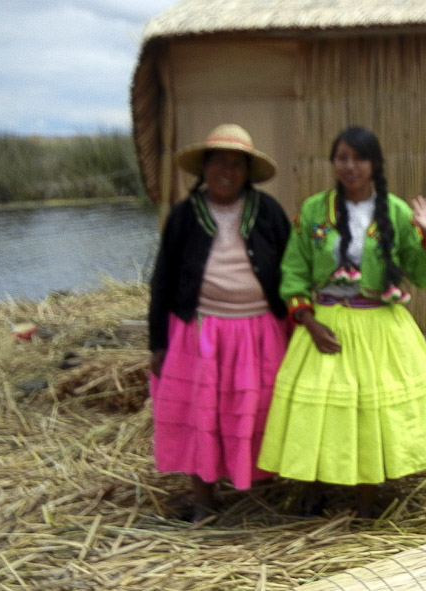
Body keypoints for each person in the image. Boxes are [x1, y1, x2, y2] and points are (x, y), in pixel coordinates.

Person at [256, 126, 426, 518]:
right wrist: (308, 322)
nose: (350, 166)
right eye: (342, 157)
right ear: (333, 163)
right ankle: (312, 489)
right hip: (325, 324)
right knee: (318, 410)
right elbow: (293, 271)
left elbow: (424, 276)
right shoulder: (313, 211)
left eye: (359, 158)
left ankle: (367, 497)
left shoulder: (396, 212)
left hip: (380, 326)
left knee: (370, 410)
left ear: (374, 164)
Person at [148, 123, 292, 522]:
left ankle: (263, 490)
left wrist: (300, 323)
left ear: (247, 172)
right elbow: (162, 279)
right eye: (218, 162)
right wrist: (158, 343)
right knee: (202, 411)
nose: (226, 171)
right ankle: (204, 498)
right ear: (204, 168)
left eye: (236, 164)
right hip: (201, 331)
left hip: (260, 330)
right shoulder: (185, 216)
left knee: (260, 407)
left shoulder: (267, 212)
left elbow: (292, 268)